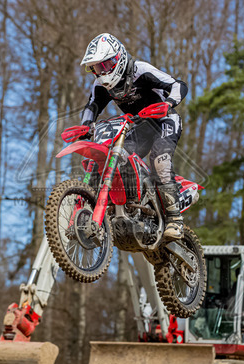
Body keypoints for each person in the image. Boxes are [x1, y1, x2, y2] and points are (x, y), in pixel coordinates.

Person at [79, 33, 188, 240]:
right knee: (115, 159)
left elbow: (178, 84)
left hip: (164, 121)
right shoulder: (100, 85)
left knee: (159, 160)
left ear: (118, 58)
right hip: (139, 128)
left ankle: (175, 220)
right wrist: (86, 125)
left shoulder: (141, 70)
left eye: (104, 65)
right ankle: (127, 207)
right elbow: (92, 106)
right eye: (96, 68)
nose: (101, 72)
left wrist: (169, 103)